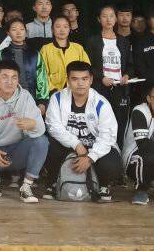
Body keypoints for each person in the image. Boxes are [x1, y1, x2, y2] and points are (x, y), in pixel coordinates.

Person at [43, 61, 120, 201]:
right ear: (68, 80)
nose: (80, 83)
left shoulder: (101, 103)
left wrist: (90, 158)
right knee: (47, 145)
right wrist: (76, 144)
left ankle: (103, 185)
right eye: (75, 79)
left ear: (91, 80)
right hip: (68, 145)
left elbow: (108, 136)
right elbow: (53, 127)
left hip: (94, 145)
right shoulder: (57, 98)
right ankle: (53, 182)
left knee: (111, 163)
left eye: (84, 79)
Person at [0, 61, 48, 202]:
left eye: (14, 77)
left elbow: (40, 129)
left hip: (17, 151)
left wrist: (33, 124)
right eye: (5, 77)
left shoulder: (25, 97)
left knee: (42, 141)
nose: (10, 82)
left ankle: (26, 186)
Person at [86, 5, 133, 146]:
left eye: (111, 16)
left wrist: (127, 76)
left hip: (120, 88)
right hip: (100, 88)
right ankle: (100, 150)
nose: (108, 19)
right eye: (104, 16)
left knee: (120, 121)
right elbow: (88, 65)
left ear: (116, 18)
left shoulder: (123, 41)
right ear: (99, 19)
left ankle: (118, 150)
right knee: (99, 120)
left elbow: (130, 64)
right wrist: (101, 78)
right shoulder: (93, 40)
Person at [35, 15, 90, 110]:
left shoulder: (78, 48)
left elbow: (87, 70)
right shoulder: (46, 49)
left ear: (69, 29)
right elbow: (42, 74)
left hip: (77, 92)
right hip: (53, 93)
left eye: (65, 26)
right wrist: (53, 90)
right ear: (52, 29)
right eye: (58, 26)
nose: (62, 30)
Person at [0, 18, 40, 102]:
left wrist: (42, 100)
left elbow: (41, 78)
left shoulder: (34, 53)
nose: (18, 33)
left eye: (21, 29)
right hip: (8, 97)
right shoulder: (2, 53)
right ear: (8, 33)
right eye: (14, 30)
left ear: (26, 32)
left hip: (31, 96)